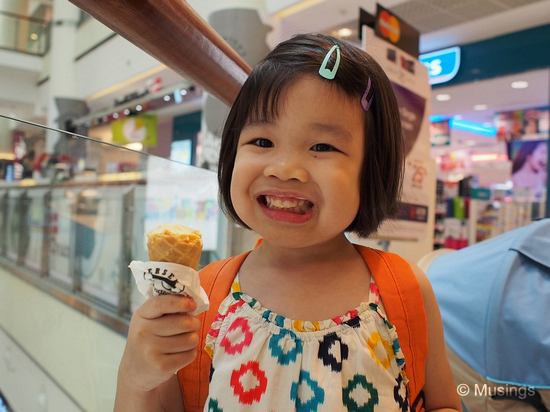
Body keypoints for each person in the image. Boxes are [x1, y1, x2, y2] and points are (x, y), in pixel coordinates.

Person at [114, 34, 461, 411]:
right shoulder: (205, 299)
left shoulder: (405, 289)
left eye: (322, 147)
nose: (285, 169)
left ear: (371, 169)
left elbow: (443, 402)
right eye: (262, 141)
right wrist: (139, 374)